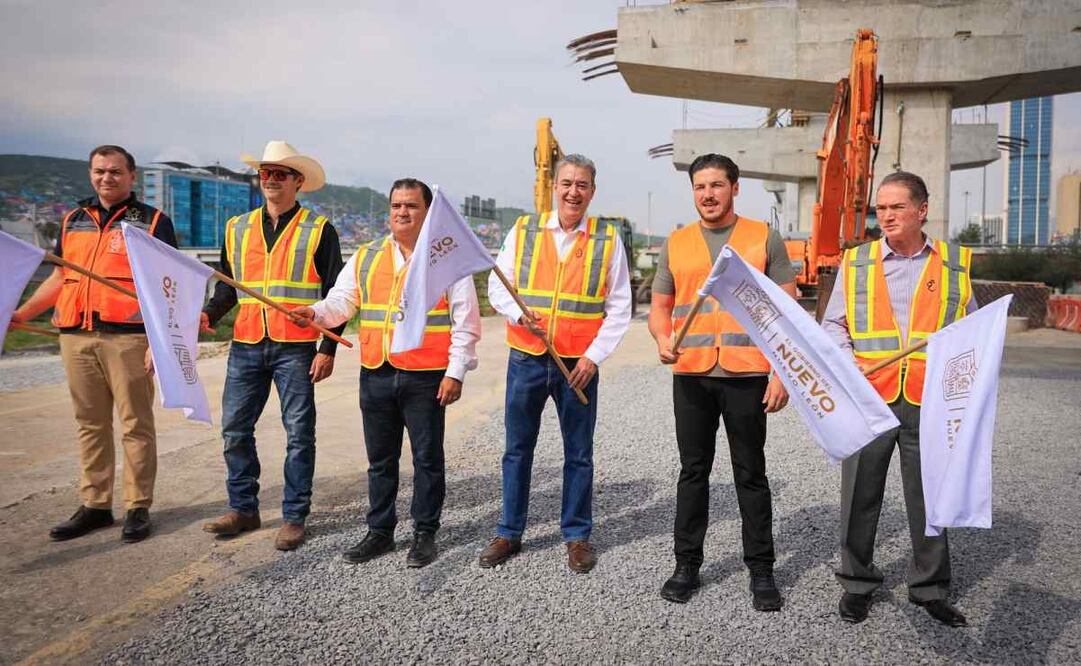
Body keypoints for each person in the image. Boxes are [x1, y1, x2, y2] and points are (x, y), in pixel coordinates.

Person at [293, 178, 481, 568]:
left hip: (427, 375)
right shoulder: (367, 255)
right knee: (380, 460)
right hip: (376, 372)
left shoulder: (446, 260)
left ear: (427, 212)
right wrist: (315, 315)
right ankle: (380, 531)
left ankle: (425, 533)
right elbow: (341, 302)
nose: (401, 212)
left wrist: (456, 371)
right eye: (396, 205)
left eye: (411, 206)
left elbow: (465, 322)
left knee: (427, 459)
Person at [821, 171, 975, 627]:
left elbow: (968, 332)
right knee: (859, 495)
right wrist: (850, 366)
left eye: (896, 208)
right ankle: (856, 582)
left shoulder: (954, 263)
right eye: (880, 208)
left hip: (930, 399)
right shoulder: (858, 262)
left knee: (929, 496)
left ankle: (929, 588)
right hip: (869, 396)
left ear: (922, 210)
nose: (885, 216)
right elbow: (833, 325)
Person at [648, 153, 795, 609]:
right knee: (693, 471)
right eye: (699, 187)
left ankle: (762, 570)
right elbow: (660, 307)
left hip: (746, 375)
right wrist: (661, 338)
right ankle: (686, 565)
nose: (707, 194)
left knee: (750, 473)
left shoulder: (764, 238)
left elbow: (786, 314)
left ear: (734, 188)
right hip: (692, 374)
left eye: (716, 185)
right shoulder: (677, 242)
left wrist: (781, 373)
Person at [13, 144, 177, 543]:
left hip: (128, 339)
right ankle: (96, 505)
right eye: (100, 171)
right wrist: (21, 315)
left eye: (116, 172)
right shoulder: (73, 220)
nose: (107, 178)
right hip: (76, 336)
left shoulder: (152, 221)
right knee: (90, 424)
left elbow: (167, 286)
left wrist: (160, 341)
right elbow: (59, 279)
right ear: (90, 174)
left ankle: (138, 506)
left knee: (136, 424)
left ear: (131, 176)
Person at [479, 154, 632, 573]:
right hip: (527, 358)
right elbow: (498, 284)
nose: (573, 192)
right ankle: (509, 532)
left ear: (592, 192)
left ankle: (577, 536)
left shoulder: (606, 239)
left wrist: (593, 357)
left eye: (582, 185)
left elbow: (619, 307)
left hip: (577, 366)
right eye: (566, 183)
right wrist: (517, 313)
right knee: (517, 449)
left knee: (579, 453)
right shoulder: (525, 230)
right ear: (554, 188)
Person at [199, 141, 345, 551]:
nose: (270, 179)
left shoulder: (319, 229)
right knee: (234, 430)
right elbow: (229, 284)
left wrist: (326, 349)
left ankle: (294, 516)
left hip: (295, 347)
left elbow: (339, 293)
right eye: (265, 172)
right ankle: (243, 508)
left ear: (298, 181)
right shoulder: (237, 228)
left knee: (299, 433)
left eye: (280, 173)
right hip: (245, 343)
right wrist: (210, 313)